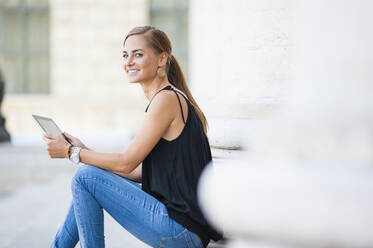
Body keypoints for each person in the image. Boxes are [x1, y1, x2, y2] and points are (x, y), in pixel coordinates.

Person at [44, 26, 223, 248]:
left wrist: (72, 153)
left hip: (182, 231)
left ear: (161, 59)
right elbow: (138, 172)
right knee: (88, 178)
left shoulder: (166, 100)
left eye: (138, 54)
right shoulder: (166, 98)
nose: (129, 61)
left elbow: (127, 161)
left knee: (85, 177)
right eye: (125, 55)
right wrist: (85, 150)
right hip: (182, 227)